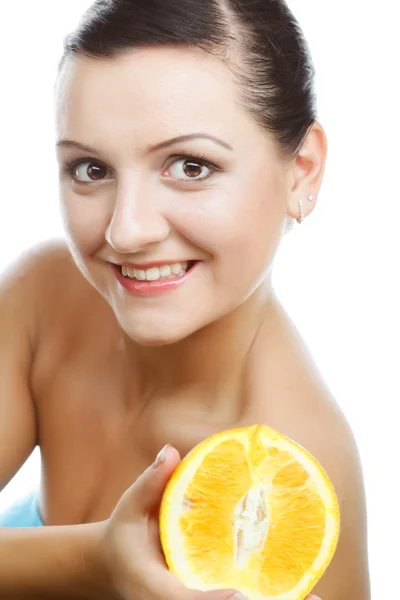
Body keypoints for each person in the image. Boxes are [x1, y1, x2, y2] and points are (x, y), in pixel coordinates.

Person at [0, 0, 370, 598]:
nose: (126, 230)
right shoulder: (47, 294)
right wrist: (91, 561)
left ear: (301, 170)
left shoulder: (295, 477)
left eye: (190, 166)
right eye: (91, 169)